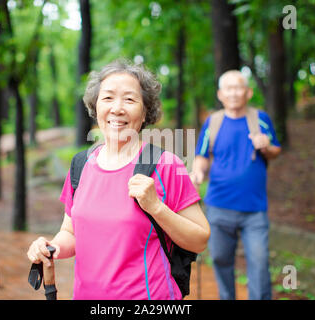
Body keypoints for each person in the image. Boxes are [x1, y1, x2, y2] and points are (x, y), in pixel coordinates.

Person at [27, 59, 210, 300]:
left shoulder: (165, 165)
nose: (117, 108)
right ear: (96, 106)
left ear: (145, 111)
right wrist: (50, 247)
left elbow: (199, 240)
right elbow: (70, 232)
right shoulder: (80, 165)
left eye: (130, 99)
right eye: (108, 98)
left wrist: (157, 208)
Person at [191, 70, 281, 300]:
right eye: (228, 88)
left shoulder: (260, 119)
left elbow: (275, 151)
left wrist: (266, 146)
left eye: (238, 87)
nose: (233, 92)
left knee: (259, 264)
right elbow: (202, 155)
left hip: (255, 209)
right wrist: (198, 172)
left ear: (248, 92)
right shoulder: (213, 122)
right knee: (221, 260)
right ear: (220, 94)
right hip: (219, 206)